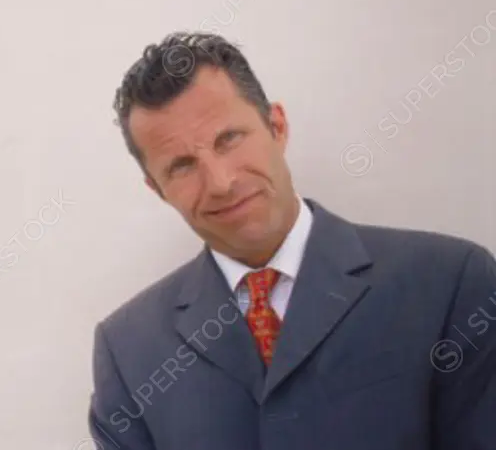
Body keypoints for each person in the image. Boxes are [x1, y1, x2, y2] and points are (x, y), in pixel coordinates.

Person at [87, 31, 496, 450]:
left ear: (277, 127)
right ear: (157, 188)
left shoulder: (450, 285)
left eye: (229, 139)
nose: (222, 183)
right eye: (182, 166)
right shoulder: (127, 350)